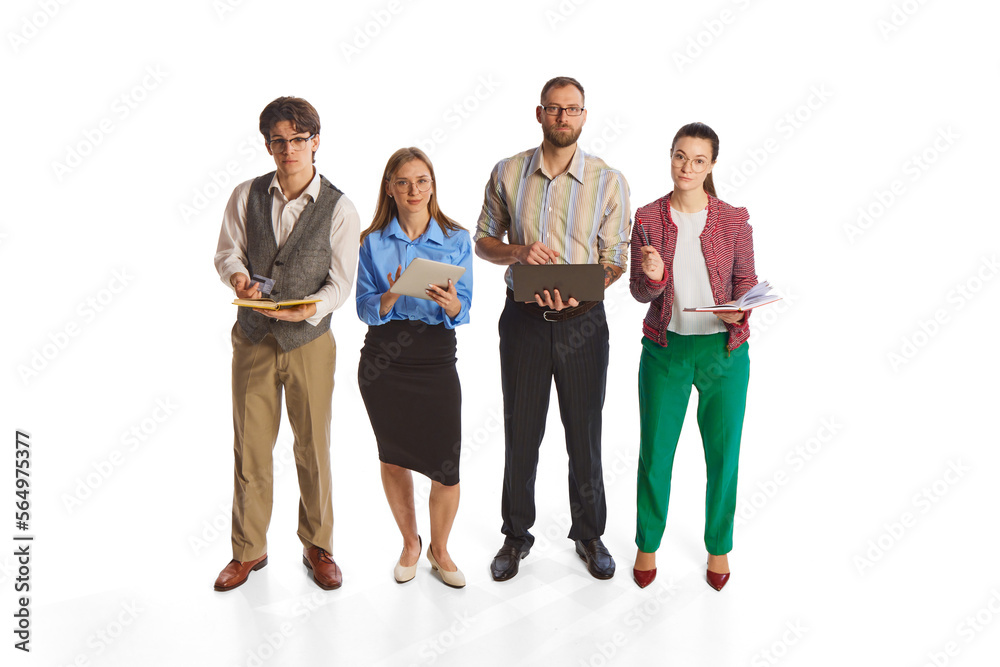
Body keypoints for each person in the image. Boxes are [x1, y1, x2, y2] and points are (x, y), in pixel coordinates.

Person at [475, 76, 631, 581]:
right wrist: (518, 252)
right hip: (522, 321)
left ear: (585, 115)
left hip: (584, 323)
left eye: (573, 109)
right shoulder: (507, 172)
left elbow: (615, 261)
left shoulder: (609, 181)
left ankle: (590, 534)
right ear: (538, 113)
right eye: (554, 109)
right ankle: (515, 535)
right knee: (522, 431)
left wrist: (584, 290)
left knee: (584, 433)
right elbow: (482, 241)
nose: (563, 117)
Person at [212, 96, 360, 592]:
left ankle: (318, 547)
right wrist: (237, 278)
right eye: (279, 141)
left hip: (310, 341)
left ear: (315, 142)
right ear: (268, 146)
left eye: (298, 139)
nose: (288, 150)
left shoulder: (341, 207)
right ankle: (248, 551)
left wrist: (310, 307)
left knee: (313, 447)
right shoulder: (245, 194)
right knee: (249, 447)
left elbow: (342, 283)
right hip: (253, 338)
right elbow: (227, 251)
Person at [628, 122, 757, 591]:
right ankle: (647, 542)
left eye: (698, 160)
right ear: (671, 156)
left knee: (724, 456)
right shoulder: (646, 216)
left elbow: (747, 285)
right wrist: (655, 277)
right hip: (666, 350)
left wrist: (737, 317)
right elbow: (640, 292)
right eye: (680, 156)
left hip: (723, 353)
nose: (687, 167)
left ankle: (718, 548)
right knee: (656, 453)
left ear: (712, 166)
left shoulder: (733, 219)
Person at [356, 147, 472, 588]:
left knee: (447, 463)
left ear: (433, 185)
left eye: (422, 180)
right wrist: (387, 297)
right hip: (385, 360)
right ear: (390, 187)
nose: (414, 190)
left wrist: (452, 303)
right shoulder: (372, 241)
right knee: (393, 456)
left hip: (436, 356)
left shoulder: (456, 238)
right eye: (403, 182)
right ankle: (410, 543)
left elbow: (466, 309)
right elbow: (364, 309)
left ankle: (440, 550)